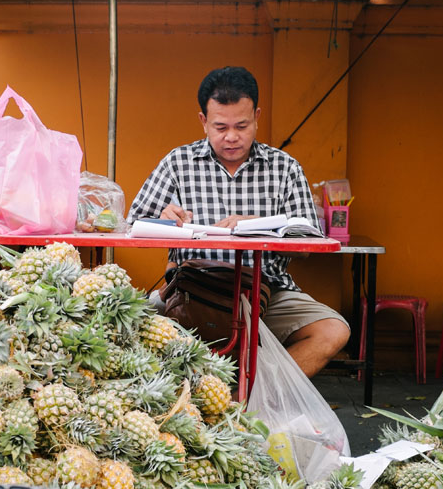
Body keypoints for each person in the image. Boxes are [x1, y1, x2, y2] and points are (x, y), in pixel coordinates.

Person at [127, 66, 350, 377]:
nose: (231, 137)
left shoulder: (284, 168)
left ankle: (256, 398)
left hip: (266, 291)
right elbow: (132, 225)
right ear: (203, 121)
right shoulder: (178, 163)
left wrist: (261, 224)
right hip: (190, 290)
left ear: (257, 117)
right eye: (220, 127)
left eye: (242, 126)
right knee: (121, 326)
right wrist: (162, 219)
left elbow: (308, 243)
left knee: (333, 331)